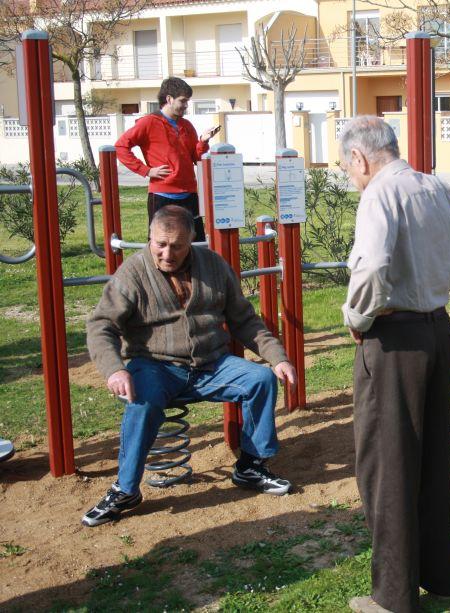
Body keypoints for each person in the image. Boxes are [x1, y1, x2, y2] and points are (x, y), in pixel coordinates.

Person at [340, 116, 450, 613]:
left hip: (395, 340)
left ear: (361, 159)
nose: (349, 176)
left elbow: (369, 266)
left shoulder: (379, 195)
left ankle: (392, 597)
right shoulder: (436, 189)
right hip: (437, 331)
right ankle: (441, 578)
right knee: (432, 459)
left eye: (347, 167)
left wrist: (357, 314)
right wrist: (446, 282)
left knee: (388, 465)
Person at [81, 206, 297, 527]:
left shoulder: (213, 267)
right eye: (160, 244)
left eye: (177, 246)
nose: (167, 253)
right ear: (150, 239)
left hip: (211, 364)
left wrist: (277, 357)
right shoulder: (133, 273)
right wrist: (114, 368)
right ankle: (125, 489)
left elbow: (244, 320)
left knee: (260, 379)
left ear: (191, 242)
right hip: (156, 365)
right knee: (141, 400)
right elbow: (101, 325)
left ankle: (251, 465)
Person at [115, 77, 220, 241]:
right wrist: (146, 170)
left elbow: (196, 158)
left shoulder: (186, 125)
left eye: (187, 101)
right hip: (162, 195)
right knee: (162, 243)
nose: (186, 105)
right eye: (183, 101)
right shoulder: (148, 123)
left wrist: (203, 142)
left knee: (196, 244)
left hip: (189, 195)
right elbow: (121, 147)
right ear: (169, 99)